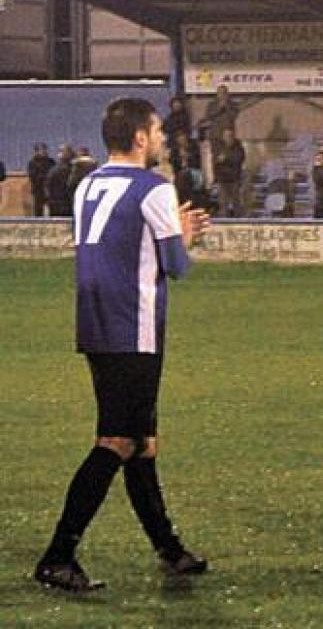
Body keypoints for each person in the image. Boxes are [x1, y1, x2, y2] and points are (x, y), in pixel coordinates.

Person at [33, 97, 213, 592]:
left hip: (96, 323)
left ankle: (169, 549)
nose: (159, 138)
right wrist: (183, 234)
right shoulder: (155, 188)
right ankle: (58, 555)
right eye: (155, 131)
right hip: (133, 328)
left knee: (142, 442)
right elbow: (175, 266)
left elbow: (115, 244)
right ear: (139, 137)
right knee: (117, 441)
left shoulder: (87, 183)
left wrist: (172, 233)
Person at [211, 131, 246, 218]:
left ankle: (238, 220)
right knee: (223, 202)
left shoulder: (238, 147)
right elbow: (216, 161)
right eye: (226, 136)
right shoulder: (219, 147)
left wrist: (226, 158)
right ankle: (224, 219)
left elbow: (238, 159)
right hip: (222, 179)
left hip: (234, 178)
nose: (228, 138)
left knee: (236, 202)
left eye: (230, 136)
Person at [28, 142, 54, 216]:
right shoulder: (32, 163)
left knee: (51, 211)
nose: (44, 151)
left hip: (50, 191)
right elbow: (32, 177)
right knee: (38, 212)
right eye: (42, 150)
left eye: (45, 149)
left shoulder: (51, 162)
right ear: (36, 151)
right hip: (38, 191)